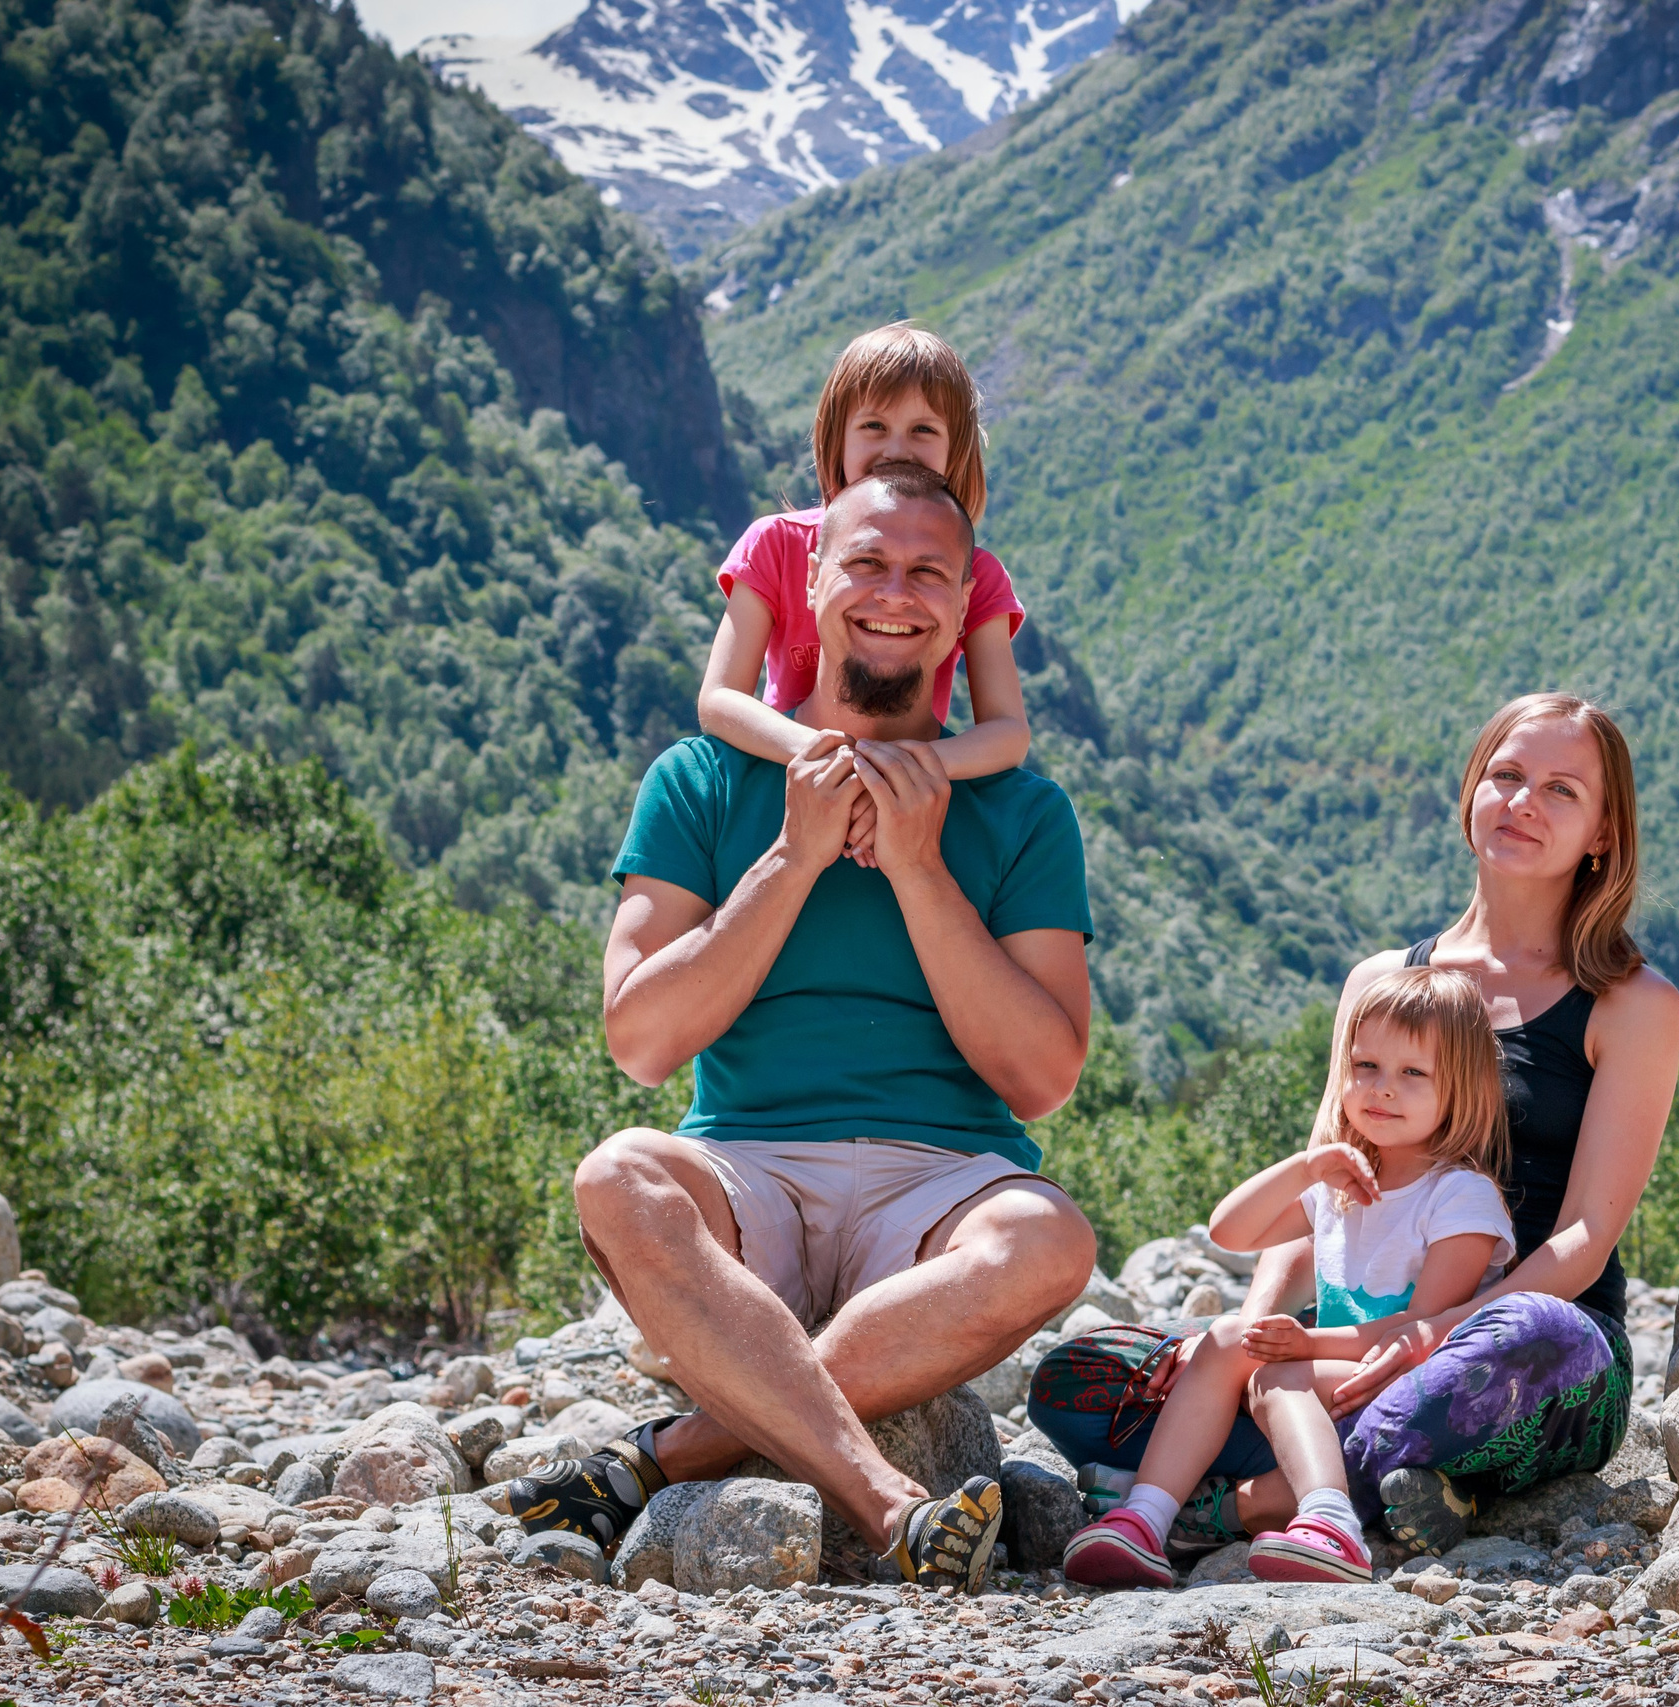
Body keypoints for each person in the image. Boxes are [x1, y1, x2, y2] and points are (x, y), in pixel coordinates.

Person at [485, 462, 1098, 1593]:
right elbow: (640, 1041)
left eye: (927, 572)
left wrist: (918, 870)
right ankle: (886, 1500)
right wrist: (794, 856)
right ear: (810, 581)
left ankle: (675, 1451)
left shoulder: (1023, 809)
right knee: (619, 1176)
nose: (893, 591)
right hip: (744, 1171)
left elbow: (1041, 1077)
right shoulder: (703, 780)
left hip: (942, 1190)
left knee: (1050, 1241)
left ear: (966, 608)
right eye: (865, 561)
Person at [1027, 692, 1679, 1556]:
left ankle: (1245, 1501)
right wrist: (1256, 1342)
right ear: (1471, 793)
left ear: (1603, 832)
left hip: (1514, 1351)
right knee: (1078, 1377)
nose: (1524, 801)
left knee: (1530, 1344)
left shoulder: (1632, 1004)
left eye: (1562, 790)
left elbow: (1586, 1239)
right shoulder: (1381, 982)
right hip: (1338, 1350)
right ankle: (1391, 1482)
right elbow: (1327, 1189)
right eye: (1508, 774)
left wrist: (1426, 1337)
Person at [1060, 967, 1515, 1589]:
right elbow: (1229, 1232)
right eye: (1366, 1066)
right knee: (1225, 1339)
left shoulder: (1460, 1196)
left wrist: (1305, 1345)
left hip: (1410, 1382)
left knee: (1274, 1374)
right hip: (1331, 1372)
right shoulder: (1341, 1188)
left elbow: (1422, 1333)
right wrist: (1306, 1167)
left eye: (1414, 1074)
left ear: (1460, 1089)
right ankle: (1145, 1518)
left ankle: (1332, 1524)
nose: (1382, 1090)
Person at [699, 323, 1029, 865]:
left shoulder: (976, 574)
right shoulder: (776, 544)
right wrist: (835, 764)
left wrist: (897, 774)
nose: (896, 449)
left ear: (957, 450)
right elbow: (718, 701)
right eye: (874, 425)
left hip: (901, 793)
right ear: (837, 439)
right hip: (786, 772)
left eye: (924, 430)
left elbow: (1008, 731)